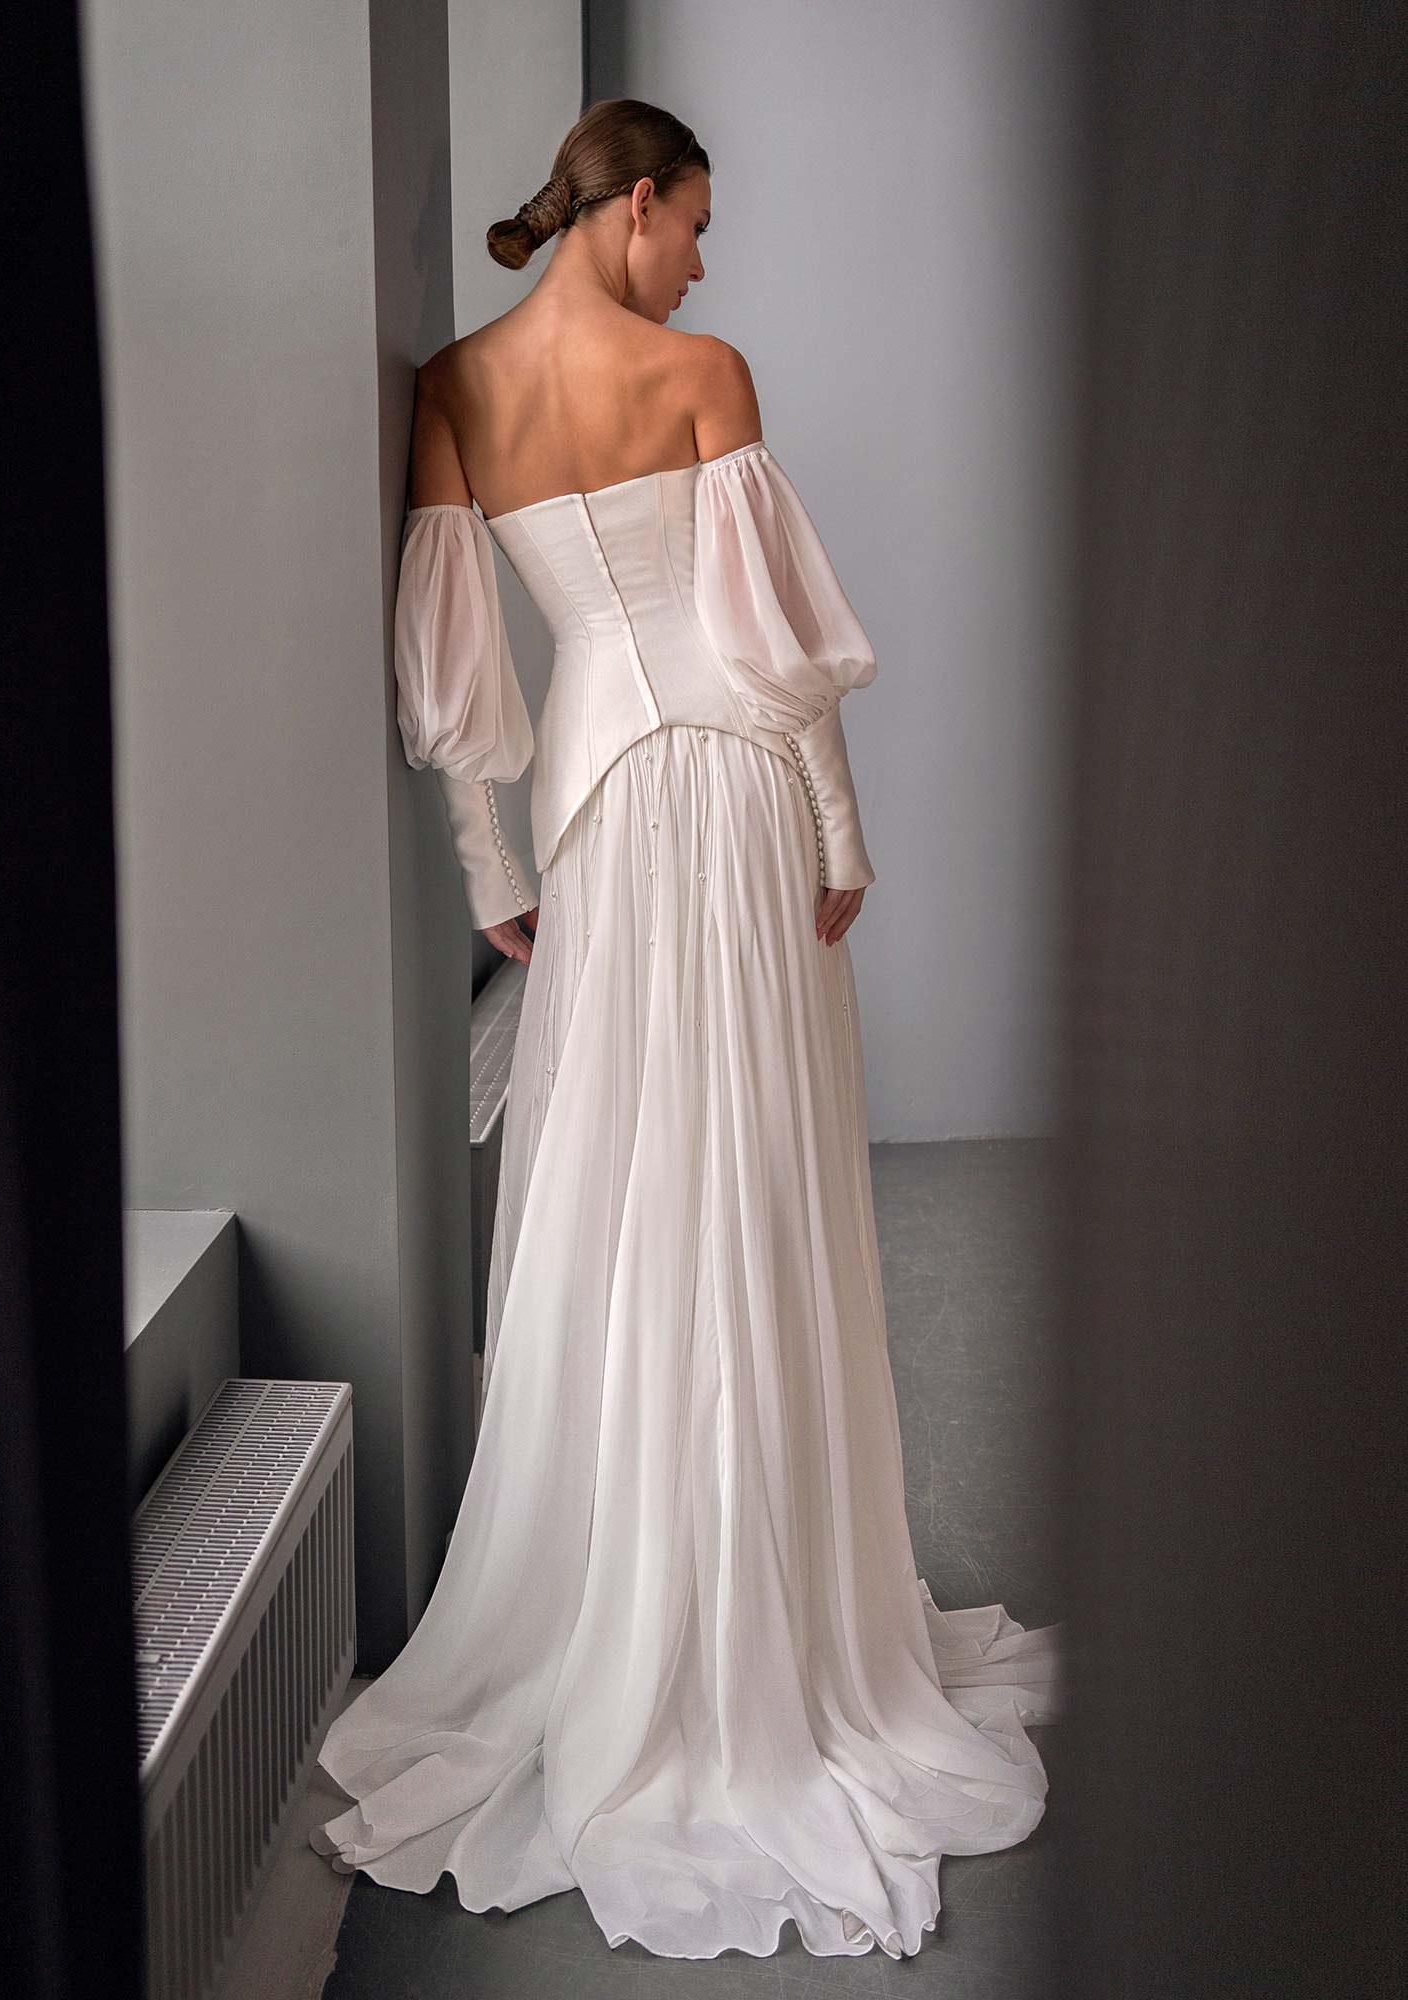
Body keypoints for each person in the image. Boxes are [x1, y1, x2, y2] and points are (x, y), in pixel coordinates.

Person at [311, 96, 1062, 1963]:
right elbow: (775, 654)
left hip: (586, 810)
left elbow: (454, 670)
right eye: (696, 224)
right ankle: (764, 1615)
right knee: (761, 1176)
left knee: (619, 1181)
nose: (704, 266)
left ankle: (626, 1596)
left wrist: (492, 867)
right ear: (633, 205)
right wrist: (841, 836)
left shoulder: (454, 387)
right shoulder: (705, 375)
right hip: (728, 798)